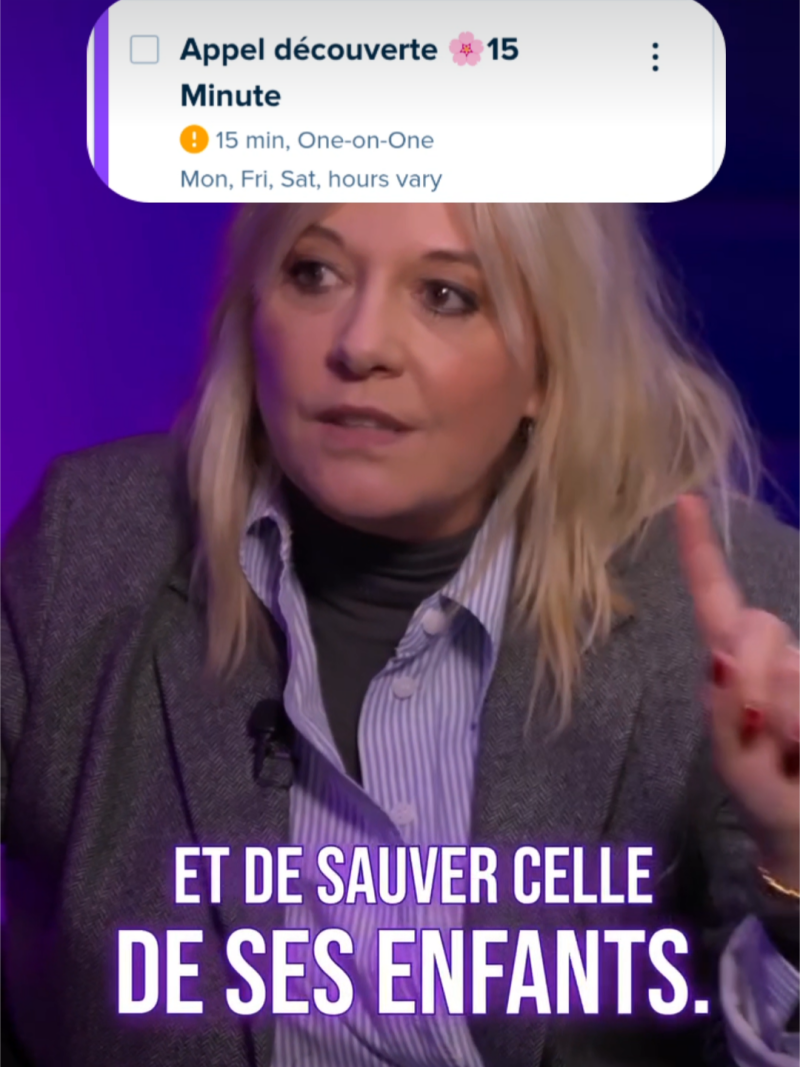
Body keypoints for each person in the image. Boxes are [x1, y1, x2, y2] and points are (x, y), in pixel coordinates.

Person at [1, 201, 800, 1067]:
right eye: (314, 273)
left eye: (446, 294)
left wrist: (793, 860)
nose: (360, 343)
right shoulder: (87, 545)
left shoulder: (731, 611)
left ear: (548, 363)